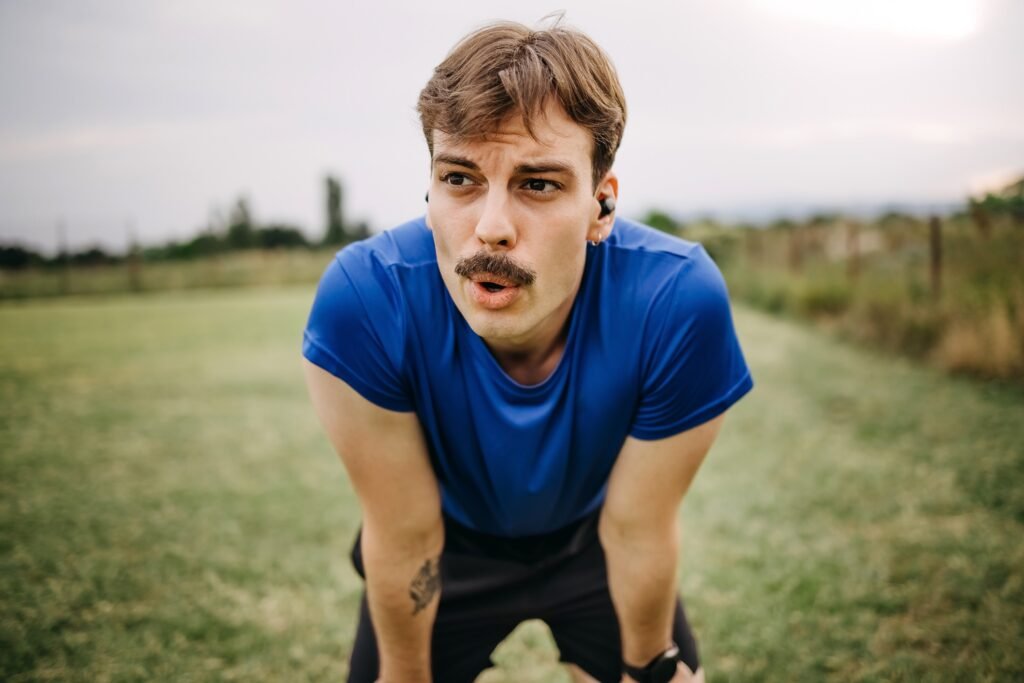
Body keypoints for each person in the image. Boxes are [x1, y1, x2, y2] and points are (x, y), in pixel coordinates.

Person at [302, 17, 753, 683]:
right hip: (447, 547)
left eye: (537, 184)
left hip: (594, 541)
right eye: (459, 179)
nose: (490, 228)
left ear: (602, 205)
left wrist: (649, 667)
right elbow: (404, 533)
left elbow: (637, 528)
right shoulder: (366, 300)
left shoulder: (675, 299)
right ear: (429, 191)